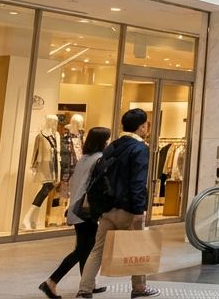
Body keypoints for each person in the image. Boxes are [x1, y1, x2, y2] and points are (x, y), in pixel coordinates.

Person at [76, 109, 159, 299]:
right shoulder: (139, 148)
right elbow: (138, 181)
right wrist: (140, 209)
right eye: (146, 125)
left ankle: (85, 288)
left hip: (107, 207)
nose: (146, 128)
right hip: (128, 208)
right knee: (137, 247)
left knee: (97, 249)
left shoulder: (112, 146)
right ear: (141, 126)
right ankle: (139, 288)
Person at [40, 127, 112, 298]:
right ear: (102, 142)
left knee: (85, 247)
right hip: (87, 209)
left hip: (76, 208)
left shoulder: (84, 159)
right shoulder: (99, 159)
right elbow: (97, 187)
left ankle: (87, 283)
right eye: (107, 140)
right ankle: (51, 282)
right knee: (82, 249)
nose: (108, 143)